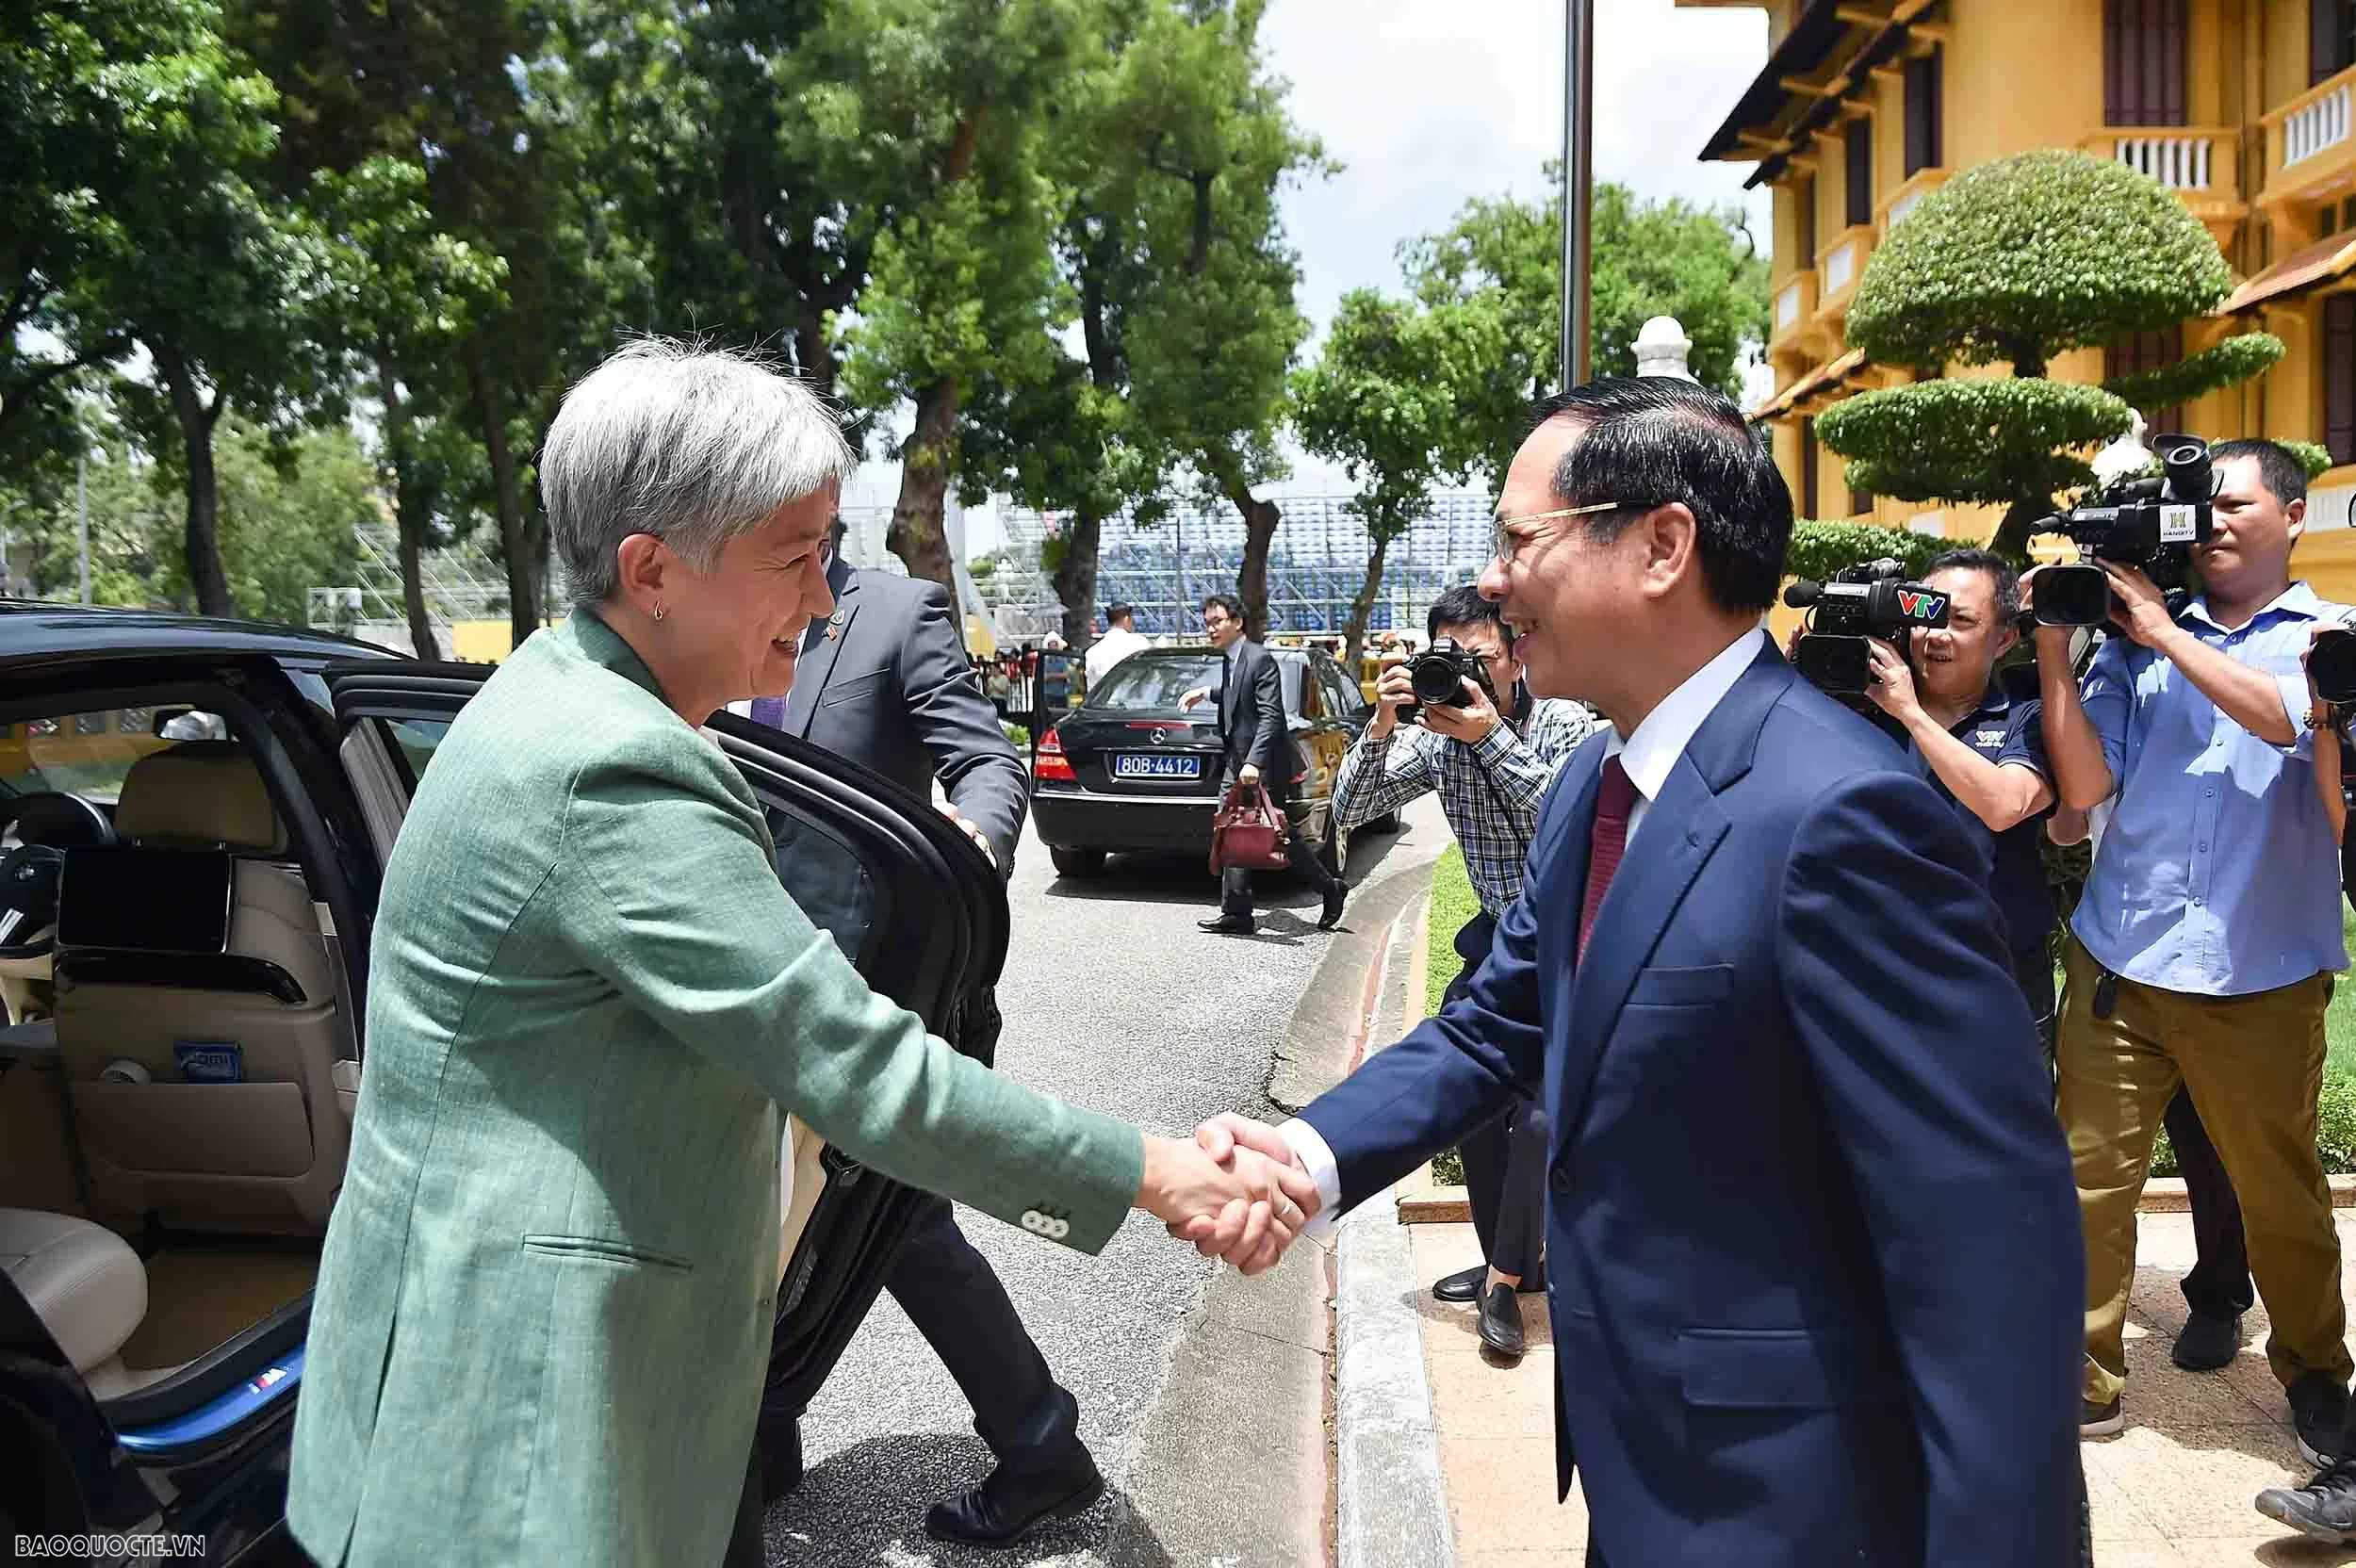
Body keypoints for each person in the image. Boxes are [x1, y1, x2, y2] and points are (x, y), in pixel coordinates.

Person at [283, 340, 1312, 1568]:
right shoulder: (614, 765)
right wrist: (1164, 1175)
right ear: (652, 570)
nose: (824, 600)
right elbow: (859, 1070)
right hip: (530, 1432)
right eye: (794, 557)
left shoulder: (551, 696)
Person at [1195, 377, 2084, 1565]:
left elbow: (1984, 1240)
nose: (1495, 580)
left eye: (1520, 539)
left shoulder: (1842, 811)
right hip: (1646, 1458)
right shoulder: (1593, 783)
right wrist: (1301, 1157)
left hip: (1795, 1498)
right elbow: (1491, 1025)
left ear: (1663, 544)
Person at [735, 520, 1098, 1548]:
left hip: (856, 974)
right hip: (739, 973)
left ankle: (1042, 1445)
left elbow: (984, 760)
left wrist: (970, 845)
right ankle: (767, 1431)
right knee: (769, 1198)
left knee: (895, 1216)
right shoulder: (714, 621)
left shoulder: (898, 612)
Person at [2031, 437, 2353, 1464]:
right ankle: (2080, 1376)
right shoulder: (2128, 648)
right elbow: (2082, 792)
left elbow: (2282, 726)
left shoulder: (2329, 635)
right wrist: (2055, 654)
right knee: (2084, 1180)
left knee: (2280, 1194)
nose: (2209, 522)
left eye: (2233, 503)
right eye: (2198, 506)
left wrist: (2165, 631)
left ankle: (2316, 1378)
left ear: (2294, 515)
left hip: (2257, 973)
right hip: (2121, 958)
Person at [1329, 584, 1595, 1359]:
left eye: (1479, 658)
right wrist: (1383, 720)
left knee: (1541, 1119)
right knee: (1474, 1108)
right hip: (1501, 944)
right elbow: (1350, 808)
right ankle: (1505, 1262)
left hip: (1581, 943)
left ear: (1516, 653)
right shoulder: (1435, 736)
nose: (1465, 675)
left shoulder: (1565, 721)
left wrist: (1488, 740)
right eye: (1449, 659)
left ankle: (1508, 1283)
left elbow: (1568, 820)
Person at [1858, 548, 2057, 1027]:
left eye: (1960, 621)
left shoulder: (2026, 715)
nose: (1936, 635)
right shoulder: (1865, 705)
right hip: (1886, 973)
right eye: (1926, 615)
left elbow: (2006, 804)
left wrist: (1909, 711)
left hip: (1999, 980)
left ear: (2005, 638)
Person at [1183, 593, 1346, 935]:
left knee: (1279, 833)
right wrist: (1205, 693)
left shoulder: (1259, 658)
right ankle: (1237, 912)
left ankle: (1330, 887)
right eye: (1207, 623)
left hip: (1263, 763)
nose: (1210, 629)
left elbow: (1272, 715)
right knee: (1229, 827)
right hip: (1237, 761)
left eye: (1217, 622)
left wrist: (1254, 762)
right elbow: (1235, 691)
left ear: (1237, 622)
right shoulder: (1232, 658)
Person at [1086, 601, 1148, 690]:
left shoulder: (1091, 652)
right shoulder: (1139, 643)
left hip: (1103, 701)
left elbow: (1091, 687)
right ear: (1126, 619)